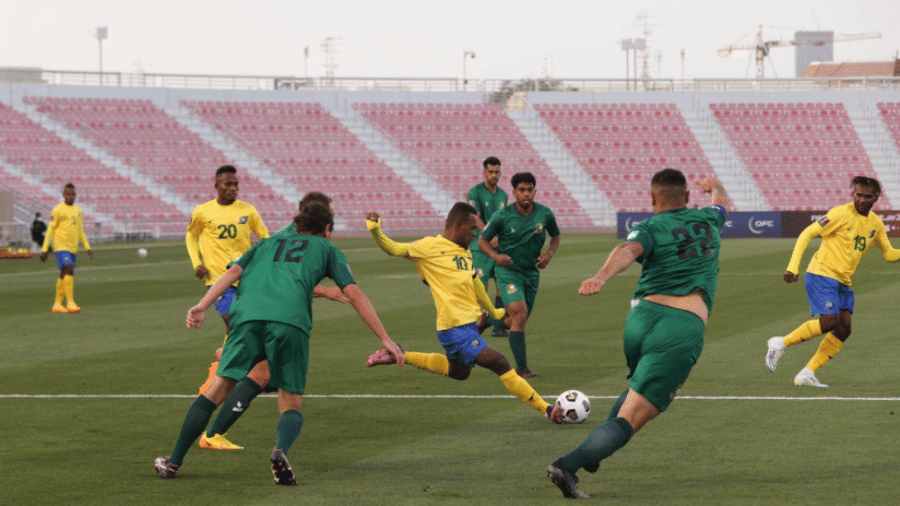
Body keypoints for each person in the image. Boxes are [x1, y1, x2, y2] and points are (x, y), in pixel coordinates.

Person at [154, 202, 405, 484]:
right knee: (290, 403)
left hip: (246, 318)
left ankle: (173, 462)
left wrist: (202, 305)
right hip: (289, 322)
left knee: (216, 391)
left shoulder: (267, 243)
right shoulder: (327, 249)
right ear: (327, 229)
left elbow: (232, 272)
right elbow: (355, 294)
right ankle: (279, 451)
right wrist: (386, 338)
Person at [546, 170, 728, 499]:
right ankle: (568, 465)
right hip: (679, 327)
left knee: (636, 390)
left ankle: (596, 449)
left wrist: (601, 277)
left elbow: (628, 250)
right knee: (634, 417)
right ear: (688, 198)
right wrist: (713, 186)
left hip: (640, 320)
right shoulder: (708, 219)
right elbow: (722, 202)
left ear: (652, 200)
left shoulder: (649, 226)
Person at [363, 203, 564, 423]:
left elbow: (475, 282)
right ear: (458, 225)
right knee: (500, 362)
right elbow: (394, 248)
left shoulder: (465, 253)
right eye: (471, 229)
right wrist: (376, 231)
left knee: (459, 372)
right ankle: (547, 409)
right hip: (454, 328)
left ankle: (401, 355)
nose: (475, 234)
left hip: (466, 326)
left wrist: (492, 311)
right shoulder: (429, 246)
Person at [196, 191, 347, 451]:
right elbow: (277, 283)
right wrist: (326, 291)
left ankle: (214, 433)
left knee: (262, 374)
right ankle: (213, 433)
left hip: (267, 313)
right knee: (262, 377)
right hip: (264, 313)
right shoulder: (286, 239)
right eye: (330, 214)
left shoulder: (289, 236)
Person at [765, 176, 900, 388]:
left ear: (876, 198)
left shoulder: (875, 223)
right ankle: (780, 343)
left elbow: (890, 254)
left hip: (843, 281)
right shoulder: (840, 214)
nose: (863, 200)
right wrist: (793, 266)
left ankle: (806, 373)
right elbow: (807, 234)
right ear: (852, 194)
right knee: (829, 321)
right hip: (821, 274)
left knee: (844, 328)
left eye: (868, 196)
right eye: (859, 195)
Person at [185, 165, 270, 445]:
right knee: (234, 323)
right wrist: (197, 263)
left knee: (245, 330)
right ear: (216, 185)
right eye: (227, 184)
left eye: (236, 184)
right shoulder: (203, 211)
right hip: (219, 282)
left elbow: (266, 240)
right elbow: (190, 235)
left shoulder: (249, 210)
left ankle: (226, 359)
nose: (233, 188)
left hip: (246, 280)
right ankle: (229, 359)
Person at [477, 172, 560, 377]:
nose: (526, 194)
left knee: (516, 321)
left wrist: (548, 254)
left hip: (531, 274)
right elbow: (482, 241)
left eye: (530, 190)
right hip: (508, 272)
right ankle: (521, 369)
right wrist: (496, 257)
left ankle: (488, 320)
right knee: (519, 314)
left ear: (535, 191)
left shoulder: (545, 214)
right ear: (514, 192)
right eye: (521, 190)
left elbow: (556, 236)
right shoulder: (502, 216)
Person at [467, 156, 509, 337]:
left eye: (497, 172)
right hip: (480, 247)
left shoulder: (503, 195)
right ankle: (476, 326)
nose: (494, 175)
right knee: (482, 287)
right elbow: (475, 217)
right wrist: (488, 234)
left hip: (497, 246)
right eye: (490, 171)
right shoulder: (475, 192)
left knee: (501, 284)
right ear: (484, 173)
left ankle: (499, 326)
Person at [40, 183, 93, 314]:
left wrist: (87, 247)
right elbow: (50, 230)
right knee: (69, 268)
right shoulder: (58, 210)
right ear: (63, 195)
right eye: (68, 194)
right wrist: (45, 249)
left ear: (75, 195)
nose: (70, 196)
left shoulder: (78, 210)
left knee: (64, 273)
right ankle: (70, 302)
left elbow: (80, 230)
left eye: (72, 194)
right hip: (60, 246)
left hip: (73, 248)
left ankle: (57, 304)